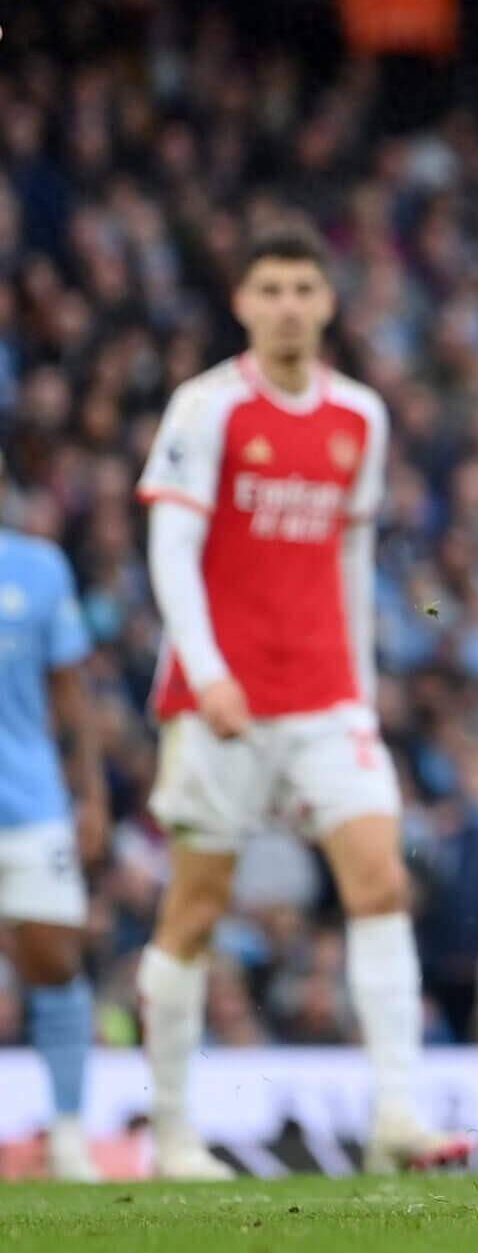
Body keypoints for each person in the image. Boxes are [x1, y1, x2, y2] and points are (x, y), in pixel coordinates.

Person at [134, 227, 469, 1178]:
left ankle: (398, 1113)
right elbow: (171, 551)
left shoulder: (359, 415)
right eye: (270, 288)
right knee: (194, 910)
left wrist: (359, 689)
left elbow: (352, 557)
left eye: (303, 288)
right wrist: (205, 671)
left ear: (328, 304)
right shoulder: (205, 407)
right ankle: (168, 1132)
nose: (287, 304)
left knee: (378, 881)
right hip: (220, 696)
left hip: (326, 692)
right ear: (243, 303)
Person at [0, 505, 108, 1181]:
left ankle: (68, 1132)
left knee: (55, 960)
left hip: (30, 800)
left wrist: (91, 793)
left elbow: (71, 688)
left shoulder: (39, 567)